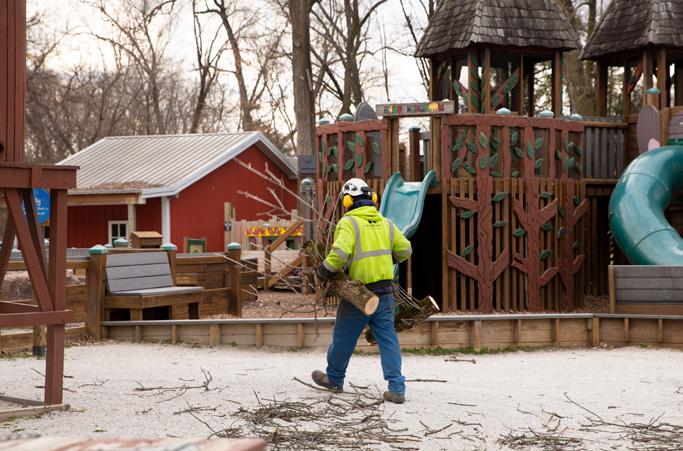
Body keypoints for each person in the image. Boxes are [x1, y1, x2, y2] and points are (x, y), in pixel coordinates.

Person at [312, 177, 412, 404]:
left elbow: (339, 254)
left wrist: (323, 270)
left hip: (358, 295)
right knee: (388, 339)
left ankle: (334, 379)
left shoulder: (349, 222)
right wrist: (389, 259)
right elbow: (405, 249)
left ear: (347, 200)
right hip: (385, 293)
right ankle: (397, 387)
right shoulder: (386, 223)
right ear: (372, 198)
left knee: (343, 338)